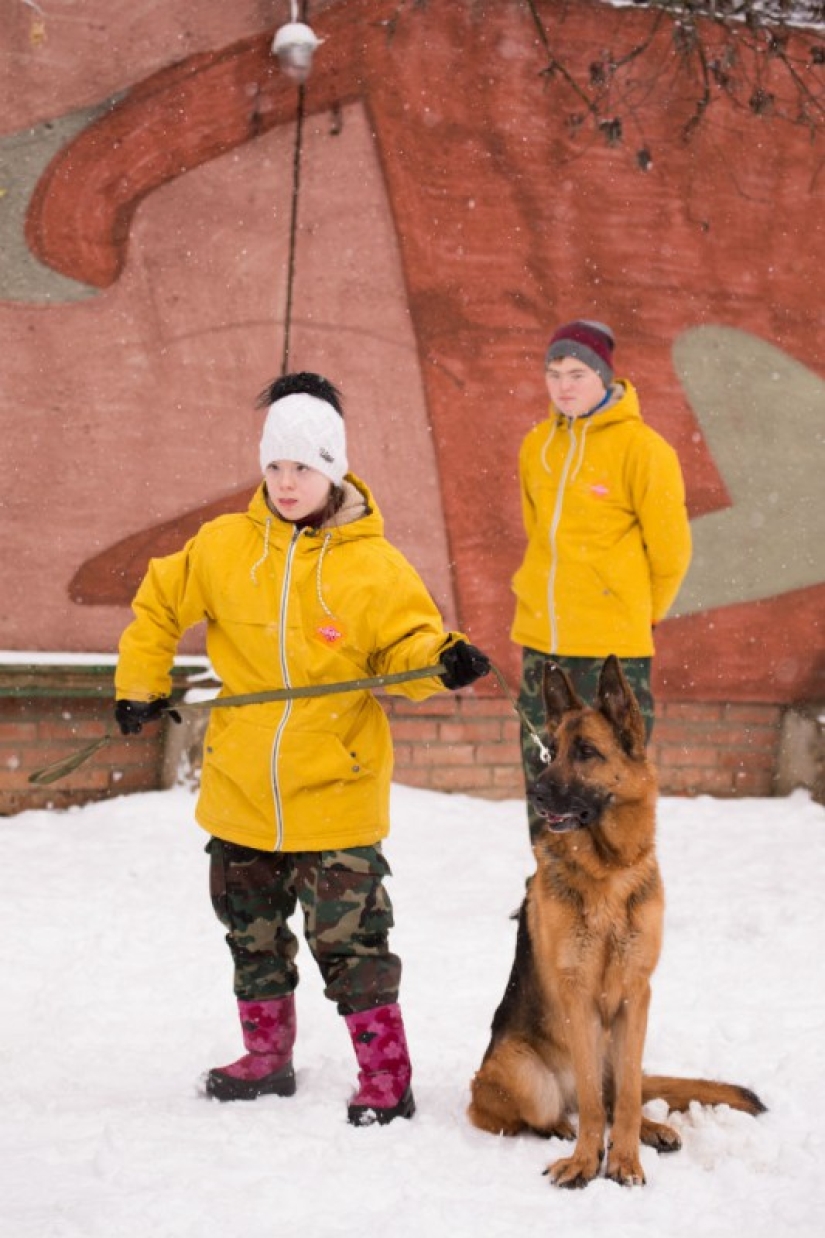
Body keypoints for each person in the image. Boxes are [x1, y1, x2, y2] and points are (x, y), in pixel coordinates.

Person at [114, 371, 490, 1125]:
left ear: (334, 471)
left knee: (352, 943)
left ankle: (386, 1075)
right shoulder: (223, 547)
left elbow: (404, 646)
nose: (287, 484)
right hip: (241, 787)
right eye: (275, 467)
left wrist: (439, 660)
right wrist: (139, 684)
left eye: (304, 468)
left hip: (335, 790)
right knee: (250, 934)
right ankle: (266, 1057)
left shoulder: (372, 566)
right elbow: (158, 605)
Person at [511, 320, 692, 838]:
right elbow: (538, 535)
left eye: (577, 373)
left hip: (611, 649)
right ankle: (547, 900)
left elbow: (672, 550)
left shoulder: (644, 449)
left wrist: (643, 613)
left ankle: (610, 899)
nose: (563, 385)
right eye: (553, 373)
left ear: (605, 378)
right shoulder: (536, 447)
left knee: (607, 784)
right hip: (541, 643)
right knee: (546, 782)